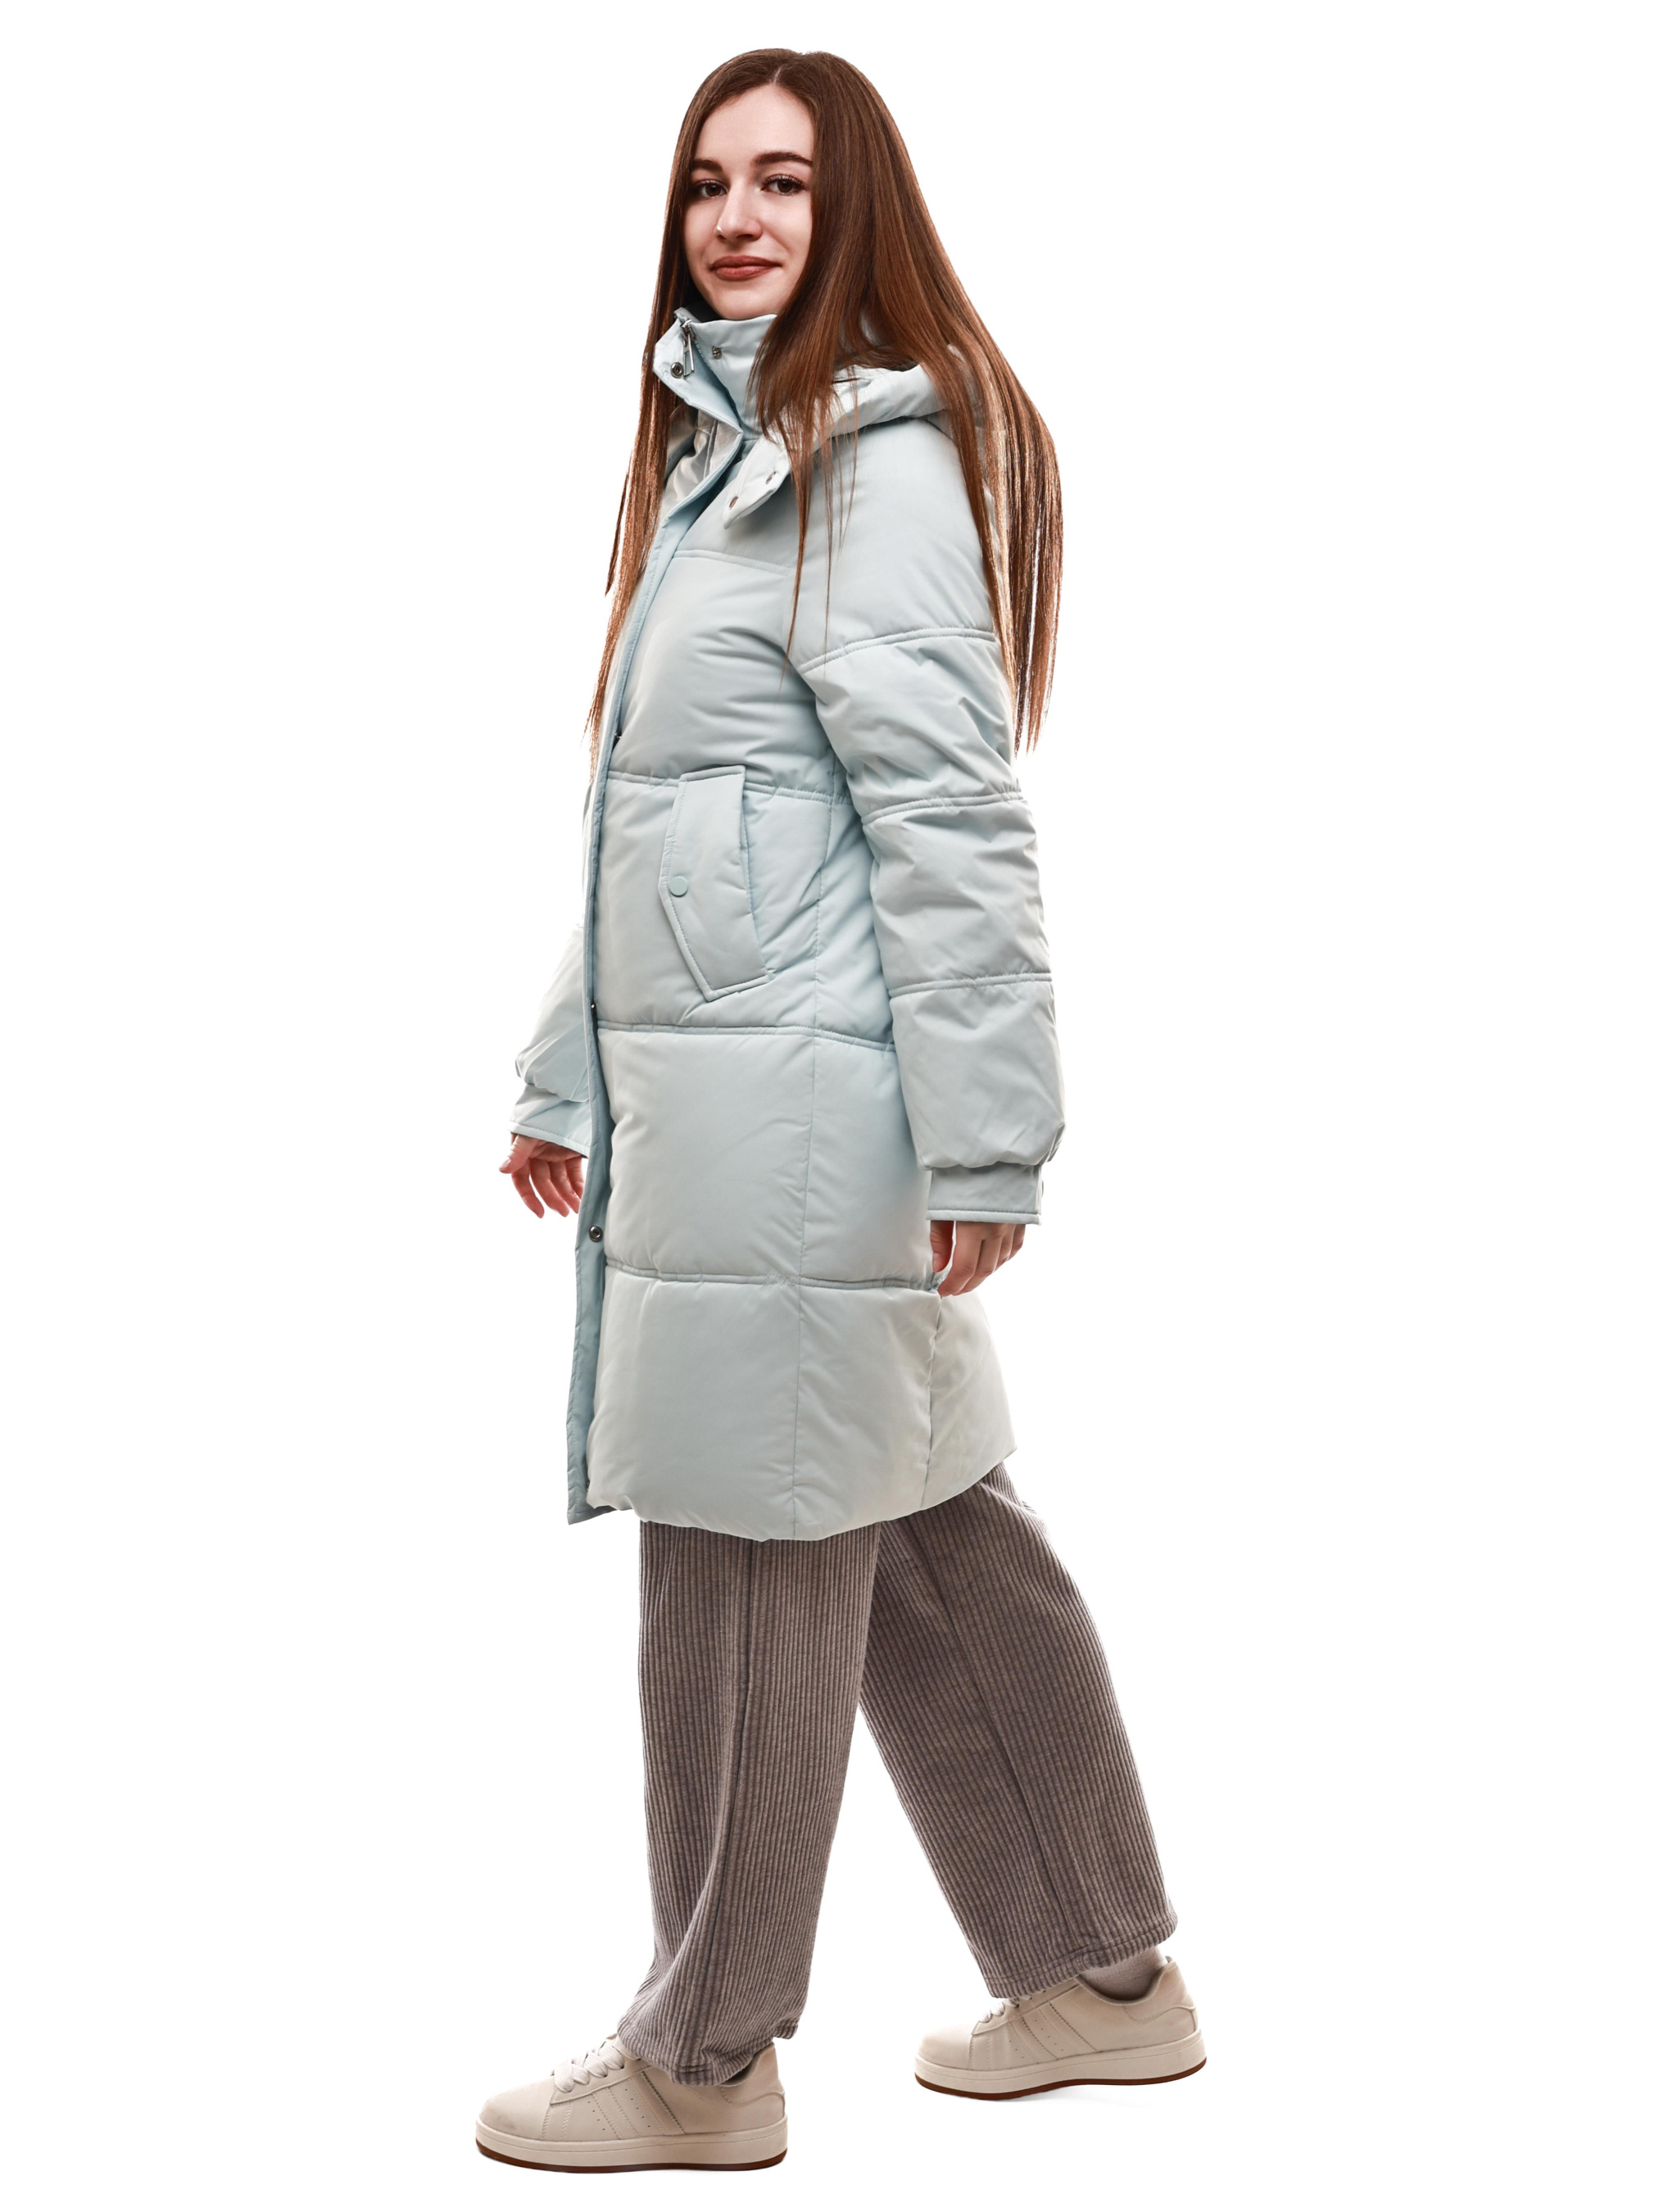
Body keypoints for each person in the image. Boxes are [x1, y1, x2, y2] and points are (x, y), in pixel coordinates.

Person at [479, 48, 1203, 2175]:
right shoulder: (725, 464)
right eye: (710, 182)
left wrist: (990, 1140)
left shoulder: (863, 471)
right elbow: (665, 823)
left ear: (852, 209)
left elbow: (951, 819)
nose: (737, 219)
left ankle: (701, 2061)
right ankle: (1101, 1977)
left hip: (804, 1119)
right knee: (926, 1531)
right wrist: (563, 1064)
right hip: (739, 1096)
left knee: (746, 1555)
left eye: (785, 182)